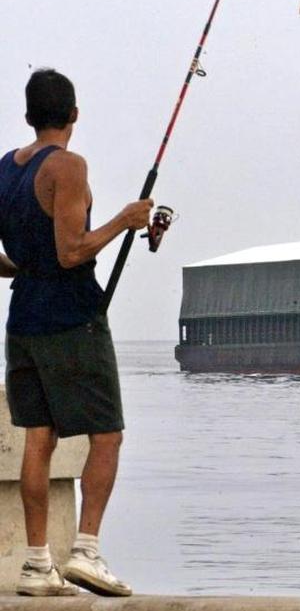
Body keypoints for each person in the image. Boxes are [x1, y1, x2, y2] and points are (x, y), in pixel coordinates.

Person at [0, 69, 153, 597]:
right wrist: (124, 220)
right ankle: (86, 550)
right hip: (72, 319)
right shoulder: (68, 165)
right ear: (74, 115)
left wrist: (26, 268)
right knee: (106, 433)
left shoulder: (5, 170)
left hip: (23, 322)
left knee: (39, 438)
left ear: (27, 116)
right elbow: (71, 252)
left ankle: (38, 565)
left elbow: (12, 259)